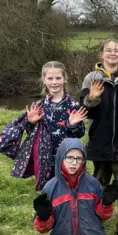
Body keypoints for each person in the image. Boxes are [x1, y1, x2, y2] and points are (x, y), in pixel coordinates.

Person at [33, 138, 118, 235]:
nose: (74, 163)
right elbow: (43, 228)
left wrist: (106, 204)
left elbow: (103, 216)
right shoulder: (50, 188)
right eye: (69, 157)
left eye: (78, 158)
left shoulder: (93, 184)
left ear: (83, 161)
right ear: (60, 157)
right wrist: (43, 217)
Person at [4, 61, 86, 190]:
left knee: (67, 190)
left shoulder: (73, 105)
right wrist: (31, 122)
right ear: (44, 80)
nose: (54, 82)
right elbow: (32, 134)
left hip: (67, 156)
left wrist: (72, 125)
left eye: (58, 78)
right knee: (47, 191)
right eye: (50, 78)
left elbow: (80, 134)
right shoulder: (39, 105)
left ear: (64, 79)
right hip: (44, 157)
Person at [80, 38, 118, 185]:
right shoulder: (91, 78)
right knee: (99, 189)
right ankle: (100, 209)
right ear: (101, 54)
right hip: (100, 146)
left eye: (116, 50)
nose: (113, 53)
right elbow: (85, 112)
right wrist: (92, 98)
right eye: (109, 50)